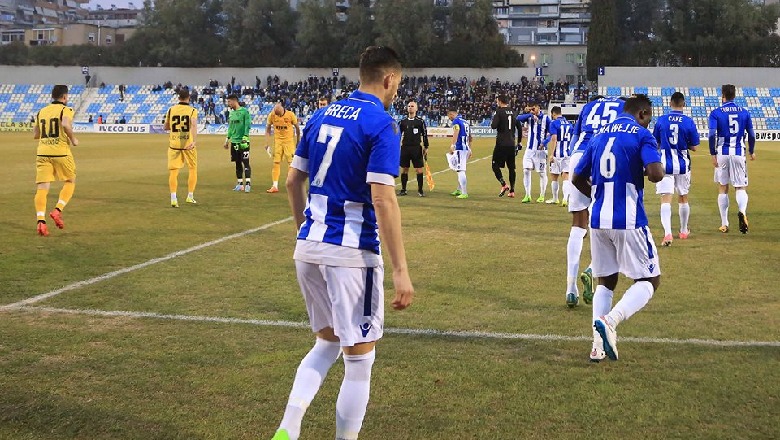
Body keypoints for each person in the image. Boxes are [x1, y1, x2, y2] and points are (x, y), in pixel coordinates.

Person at [273, 46, 414, 440]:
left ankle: (288, 426)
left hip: (310, 246)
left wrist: (306, 229)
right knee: (359, 362)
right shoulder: (381, 123)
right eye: (397, 84)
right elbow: (383, 197)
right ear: (389, 80)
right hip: (352, 253)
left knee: (326, 343)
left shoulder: (320, 115)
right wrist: (401, 271)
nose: (396, 91)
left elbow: (291, 181)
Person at [571, 94, 664, 361]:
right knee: (650, 279)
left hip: (598, 219)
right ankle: (611, 321)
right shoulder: (641, 134)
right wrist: (649, 168)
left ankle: (597, 346)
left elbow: (577, 177)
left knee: (606, 281)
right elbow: (656, 174)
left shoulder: (599, 135)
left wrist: (595, 195)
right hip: (629, 219)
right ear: (643, 114)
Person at [564, 96, 625, 310]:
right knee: (612, 221)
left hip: (578, 157)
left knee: (578, 224)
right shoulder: (623, 104)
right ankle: (592, 269)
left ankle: (570, 288)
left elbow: (574, 139)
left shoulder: (589, 106)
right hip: (603, 158)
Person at [653, 92, 700, 245]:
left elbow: (656, 143)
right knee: (683, 197)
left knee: (665, 199)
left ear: (670, 103)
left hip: (665, 165)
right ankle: (684, 230)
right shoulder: (688, 122)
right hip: (683, 165)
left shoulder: (661, 120)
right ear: (683, 104)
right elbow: (694, 147)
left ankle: (667, 234)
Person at [32, 85, 79, 237]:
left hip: (42, 153)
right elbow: (65, 124)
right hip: (61, 153)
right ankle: (57, 210)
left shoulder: (41, 112)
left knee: (42, 188)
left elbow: (35, 135)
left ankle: (41, 221)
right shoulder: (66, 110)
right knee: (70, 181)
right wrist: (73, 139)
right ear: (64, 97)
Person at [709, 84, 756, 234]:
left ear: (723, 95)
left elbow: (711, 135)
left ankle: (724, 223)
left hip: (722, 153)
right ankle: (742, 211)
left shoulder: (716, 112)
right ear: (734, 95)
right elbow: (752, 134)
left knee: (723, 187)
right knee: (740, 187)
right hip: (738, 152)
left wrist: (712, 153)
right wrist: (752, 151)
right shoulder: (744, 112)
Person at [164, 88, 199, 208]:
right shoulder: (192, 110)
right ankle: (190, 196)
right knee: (192, 169)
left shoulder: (171, 109)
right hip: (188, 145)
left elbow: (166, 127)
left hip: (174, 145)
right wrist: (194, 141)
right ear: (189, 98)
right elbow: (193, 124)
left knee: (173, 172)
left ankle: (173, 198)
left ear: (178, 98)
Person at [516, 103, 551, 203]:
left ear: (538, 108)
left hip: (540, 151)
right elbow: (518, 118)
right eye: (530, 109)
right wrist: (530, 114)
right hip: (529, 150)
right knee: (526, 170)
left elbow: (552, 134)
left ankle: (542, 195)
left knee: (542, 173)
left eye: (533, 108)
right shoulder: (529, 118)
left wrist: (544, 142)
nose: (532, 110)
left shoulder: (545, 118)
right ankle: (527, 195)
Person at [265, 102, 301, 193]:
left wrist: (298, 141)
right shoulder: (272, 115)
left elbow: (297, 128)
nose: (278, 116)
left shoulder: (290, 115)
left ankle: (292, 185)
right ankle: (275, 186)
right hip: (278, 141)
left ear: (282, 109)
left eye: (279, 114)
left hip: (288, 141)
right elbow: (268, 128)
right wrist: (267, 142)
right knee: (276, 163)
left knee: (291, 164)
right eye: (276, 114)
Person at [490, 94, 522, 198]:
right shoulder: (514, 112)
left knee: (494, 165)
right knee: (511, 168)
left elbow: (493, 126)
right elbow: (519, 128)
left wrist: (496, 119)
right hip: (511, 144)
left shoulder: (499, 112)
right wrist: (519, 142)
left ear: (499, 101)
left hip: (501, 144)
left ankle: (503, 184)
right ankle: (512, 191)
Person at [398, 100, 429, 197]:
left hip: (416, 148)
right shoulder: (402, 122)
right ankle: (403, 189)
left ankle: (420, 190)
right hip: (405, 148)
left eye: (412, 106)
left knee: (419, 170)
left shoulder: (420, 122)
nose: (410, 107)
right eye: (409, 106)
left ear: (416, 108)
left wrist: (426, 146)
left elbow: (424, 134)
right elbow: (397, 135)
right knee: (404, 169)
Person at [223, 94, 252, 192]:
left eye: (229, 102)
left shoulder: (245, 112)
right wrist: (227, 140)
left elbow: (247, 125)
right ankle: (240, 184)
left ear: (234, 101)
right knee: (237, 162)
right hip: (234, 142)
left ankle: (248, 183)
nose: (228, 104)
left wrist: (245, 137)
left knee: (246, 162)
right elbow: (230, 128)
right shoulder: (231, 113)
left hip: (243, 141)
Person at [546, 106, 572, 206]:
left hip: (557, 154)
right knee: (566, 176)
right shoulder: (569, 124)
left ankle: (555, 198)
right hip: (567, 153)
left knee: (554, 176)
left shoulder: (553, 123)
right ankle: (565, 198)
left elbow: (554, 139)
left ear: (553, 114)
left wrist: (551, 154)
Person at [447, 106, 472, 199]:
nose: (449, 118)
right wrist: (470, 148)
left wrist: (452, 145)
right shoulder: (466, 122)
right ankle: (459, 189)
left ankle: (464, 192)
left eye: (449, 116)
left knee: (460, 170)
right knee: (459, 168)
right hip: (466, 148)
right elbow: (470, 136)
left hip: (460, 148)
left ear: (451, 114)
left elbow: (456, 131)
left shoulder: (456, 121)